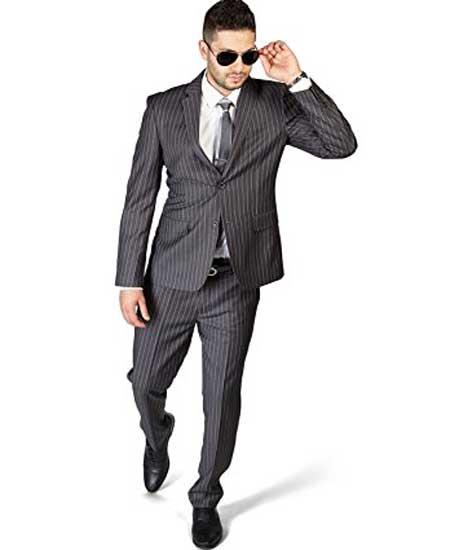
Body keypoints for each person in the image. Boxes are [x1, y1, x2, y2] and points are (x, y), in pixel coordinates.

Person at [114, 0, 357, 546]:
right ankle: (157, 435)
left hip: (235, 279)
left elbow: (341, 145)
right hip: (170, 277)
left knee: (222, 396)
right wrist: (129, 279)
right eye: (228, 56)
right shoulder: (163, 108)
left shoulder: (274, 103)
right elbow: (139, 198)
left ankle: (205, 497)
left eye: (248, 55)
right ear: (204, 50)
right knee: (145, 382)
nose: (240, 66)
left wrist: (297, 80)